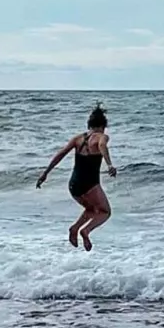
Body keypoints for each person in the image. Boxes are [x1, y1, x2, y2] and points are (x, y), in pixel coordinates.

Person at [36, 104, 117, 250]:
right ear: (103, 126)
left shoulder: (77, 139)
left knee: (92, 209)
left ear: (89, 125)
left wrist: (45, 173)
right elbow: (102, 146)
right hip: (90, 185)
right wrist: (109, 164)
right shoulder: (102, 137)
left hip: (74, 185)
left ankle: (75, 229)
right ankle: (85, 231)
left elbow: (60, 154)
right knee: (105, 211)